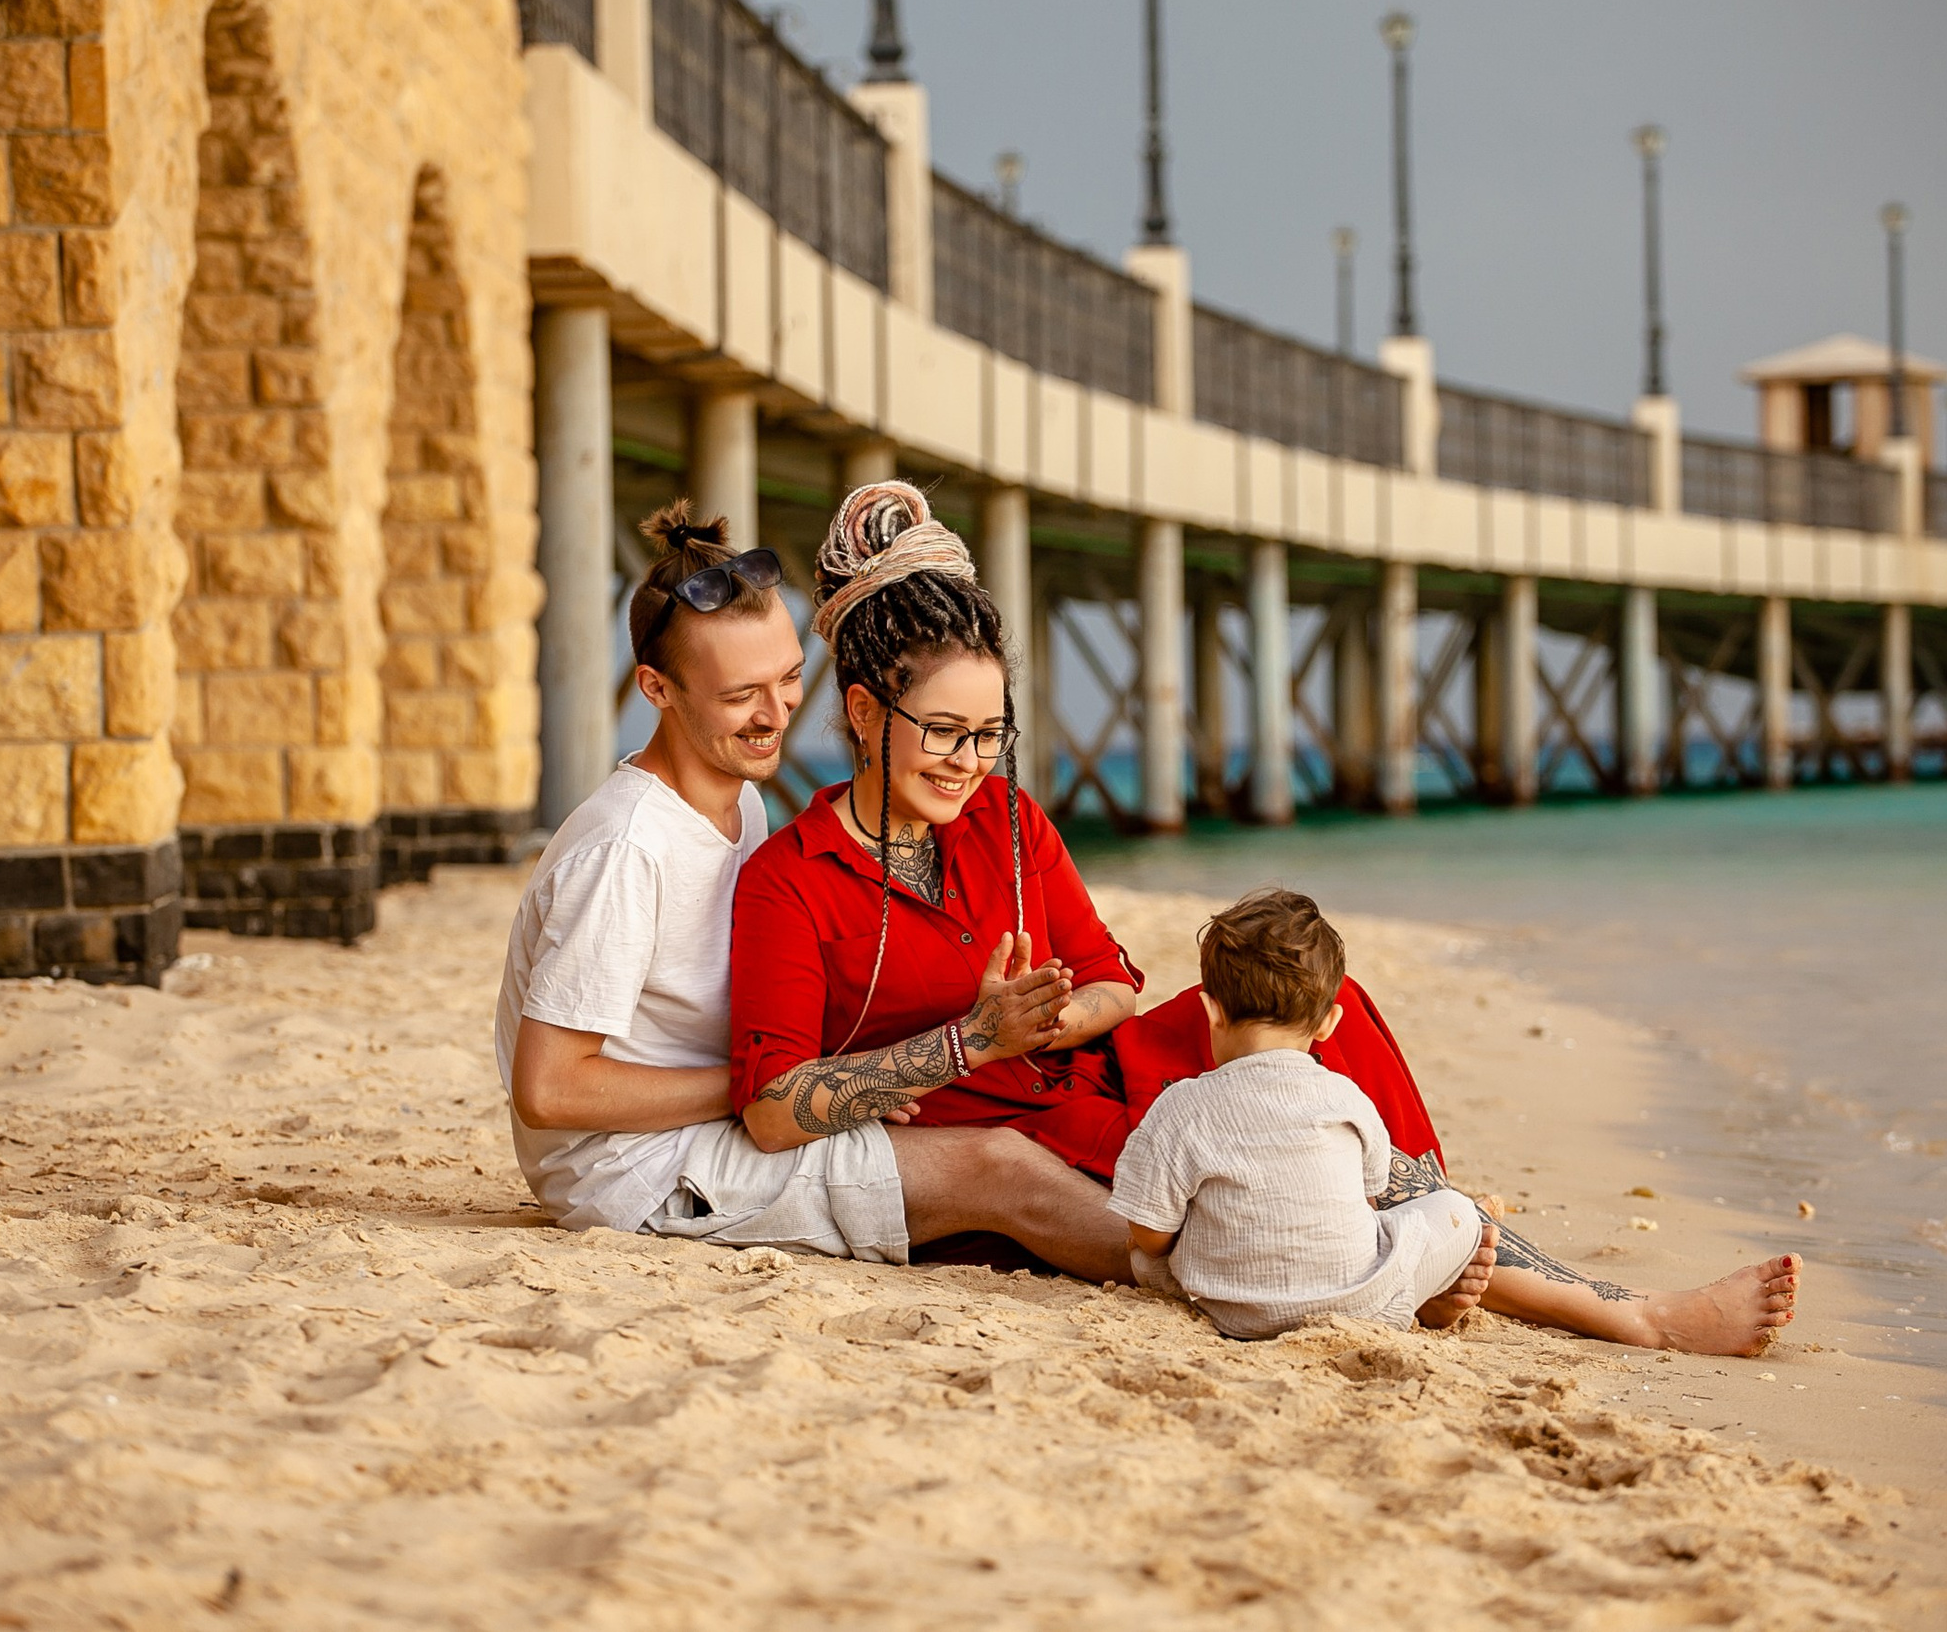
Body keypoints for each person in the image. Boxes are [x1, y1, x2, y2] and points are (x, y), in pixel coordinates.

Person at [729, 481, 1802, 1356]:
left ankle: (1438, 1235)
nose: (968, 764)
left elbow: (1114, 981)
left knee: (1315, 1018)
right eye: (942, 733)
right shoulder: (789, 878)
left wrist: (1055, 1020)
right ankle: (1620, 1315)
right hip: (995, 1131)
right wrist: (973, 1037)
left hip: (1089, 1070)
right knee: (1231, 1174)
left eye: (989, 734)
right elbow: (773, 1110)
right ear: (864, 711)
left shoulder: (1007, 820)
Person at [495, 500, 1133, 1280]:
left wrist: (831, 1070)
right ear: (656, 689)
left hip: (727, 1119)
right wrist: (789, 1078)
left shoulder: (742, 801)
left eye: (791, 678)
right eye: (740, 696)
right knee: (992, 1164)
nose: (777, 715)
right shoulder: (627, 848)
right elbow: (549, 1089)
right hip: (638, 1167)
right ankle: (1201, 1270)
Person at [1111, 888, 1501, 1339]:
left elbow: (1151, 1231)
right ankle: (1420, 1292)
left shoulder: (1180, 1106)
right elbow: (1370, 1198)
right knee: (1455, 1210)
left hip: (1235, 1313)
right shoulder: (1347, 1096)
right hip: (1361, 1309)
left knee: (1143, 1257)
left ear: (1210, 1011)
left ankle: (1411, 1293)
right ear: (1328, 1023)